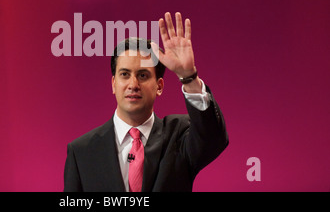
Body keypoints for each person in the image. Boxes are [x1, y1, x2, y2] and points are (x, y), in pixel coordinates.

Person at [63, 12, 228, 192]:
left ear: (159, 86)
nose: (133, 85)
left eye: (143, 75)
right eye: (125, 74)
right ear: (113, 83)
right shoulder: (81, 152)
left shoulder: (180, 135)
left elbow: (213, 138)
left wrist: (188, 76)